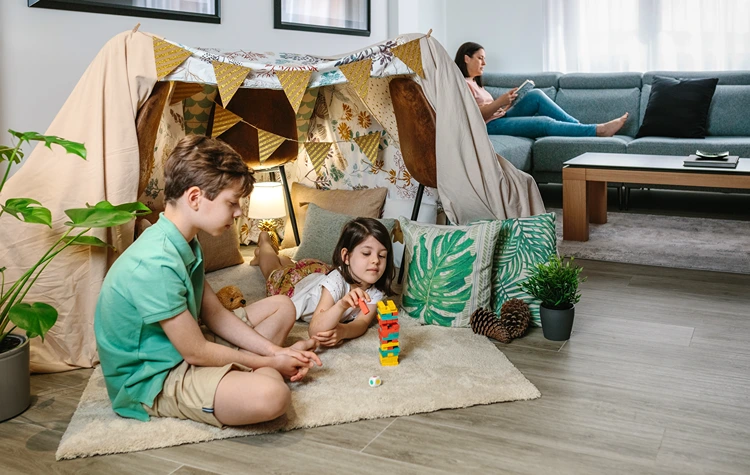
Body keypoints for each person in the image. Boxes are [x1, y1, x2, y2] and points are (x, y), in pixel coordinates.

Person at [94, 135, 321, 428]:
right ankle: (253, 375)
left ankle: (243, 372)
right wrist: (270, 363)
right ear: (195, 198)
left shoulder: (184, 242)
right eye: (232, 202)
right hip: (155, 376)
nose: (239, 212)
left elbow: (214, 314)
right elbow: (195, 351)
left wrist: (276, 352)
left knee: (283, 306)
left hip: (179, 347)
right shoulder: (156, 262)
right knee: (273, 396)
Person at [250, 218, 394, 348]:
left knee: (288, 265)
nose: (376, 260)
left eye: (382, 255)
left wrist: (343, 331)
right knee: (274, 271)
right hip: (296, 285)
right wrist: (342, 305)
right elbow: (315, 330)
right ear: (346, 256)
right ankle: (264, 244)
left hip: (318, 271)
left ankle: (283, 258)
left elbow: (362, 323)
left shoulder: (375, 291)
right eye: (366, 253)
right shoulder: (336, 282)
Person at [454, 42, 628, 138]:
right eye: (480, 58)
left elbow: (490, 110)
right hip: (488, 127)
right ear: (466, 58)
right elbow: (474, 116)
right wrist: (500, 101)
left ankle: (580, 128)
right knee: (542, 122)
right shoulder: (462, 84)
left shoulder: (477, 83)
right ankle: (598, 130)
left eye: (484, 59)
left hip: (498, 117)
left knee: (535, 95)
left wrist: (506, 104)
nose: (484, 63)